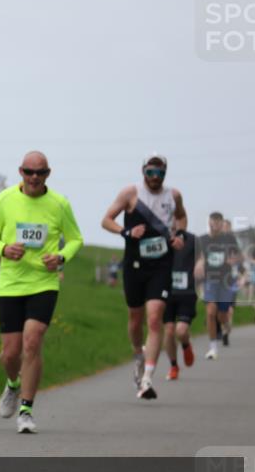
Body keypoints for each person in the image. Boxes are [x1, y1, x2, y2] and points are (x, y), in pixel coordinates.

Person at [0, 151, 83, 433]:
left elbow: (75, 239)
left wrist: (61, 257)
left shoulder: (59, 204)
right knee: (10, 354)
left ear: (48, 174)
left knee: (33, 341)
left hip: (44, 282)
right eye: (29, 172)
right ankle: (13, 384)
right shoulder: (5, 199)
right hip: (11, 284)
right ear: (21, 172)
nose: (34, 178)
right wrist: (3, 249)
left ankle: (26, 409)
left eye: (40, 173)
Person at [100, 154, 187, 399]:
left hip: (161, 264)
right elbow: (106, 220)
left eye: (159, 173)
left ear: (165, 174)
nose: (155, 178)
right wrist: (126, 231)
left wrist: (179, 234)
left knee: (155, 317)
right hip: (135, 264)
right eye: (150, 173)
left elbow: (181, 216)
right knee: (135, 318)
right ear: (143, 172)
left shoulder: (174, 195)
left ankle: (147, 379)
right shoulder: (130, 193)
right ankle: (138, 354)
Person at [195, 212, 242, 359]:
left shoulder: (229, 238)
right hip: (210, 280)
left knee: (222, 316)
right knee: (210, 312)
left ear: (222, 224)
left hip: (226, 281)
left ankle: (226, 326)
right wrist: (199, 262)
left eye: (218, 223)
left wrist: (234, 260)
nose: (215, 225)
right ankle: (213, 348)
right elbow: (197, 257)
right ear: (209, 223)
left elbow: (239, 255)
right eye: (212, 222)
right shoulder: (202, 240)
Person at [162, 227, 197, 380]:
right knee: (169, 331)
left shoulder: (192, 240)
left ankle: (185, 345)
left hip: (186, 292)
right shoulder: (159, 238)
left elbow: (203, 256)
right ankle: (174, 366)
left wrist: (201, 264)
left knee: (181, 331)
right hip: (165, 291)